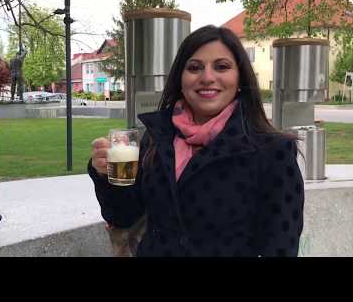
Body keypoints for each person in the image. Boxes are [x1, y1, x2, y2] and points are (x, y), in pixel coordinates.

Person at [88, 25, 304, 257]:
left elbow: (281, 248)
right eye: (194, 67)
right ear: (180, 78)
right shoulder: (157, 137)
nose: (207, 77)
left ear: (239, 76)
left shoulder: (272, 151)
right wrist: (103, 175)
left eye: (221, 66)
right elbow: (123, 215)